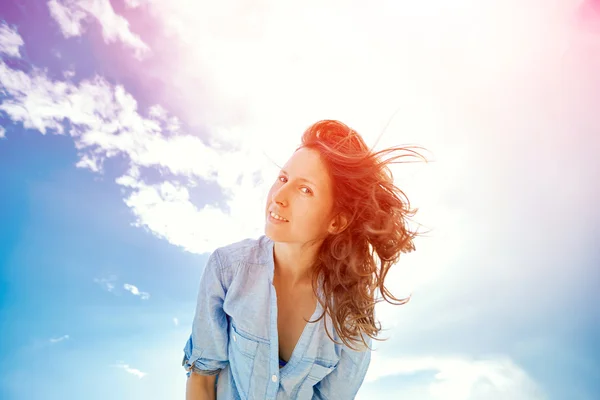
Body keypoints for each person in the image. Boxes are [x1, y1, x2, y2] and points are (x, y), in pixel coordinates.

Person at [182, 120, 427, 399]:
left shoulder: (352, 316)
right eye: (283, 178)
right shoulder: (227, 268)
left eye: (305, 189)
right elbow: (202, 377)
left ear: (336, 222)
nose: (279, 197)